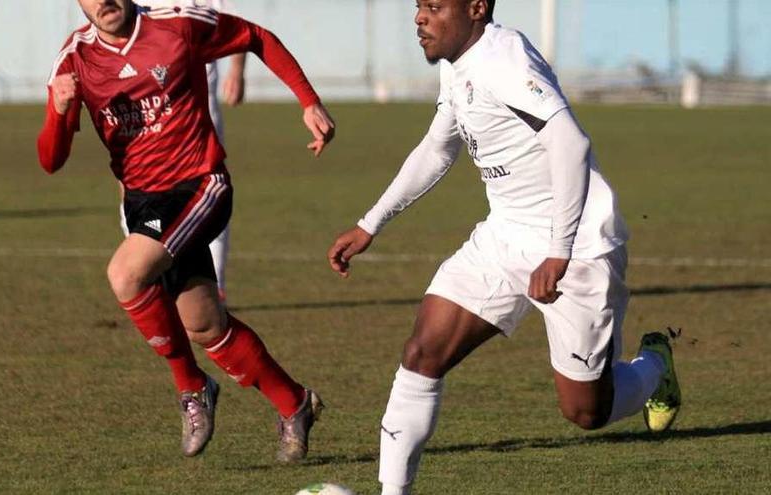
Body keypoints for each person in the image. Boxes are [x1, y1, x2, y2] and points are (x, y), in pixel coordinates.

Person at [327, 1, 681, 493]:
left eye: (433, 6)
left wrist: (559, 250)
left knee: (585, 411)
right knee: (423, 351)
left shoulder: (504, 59)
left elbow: (570, 144)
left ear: (476, 7)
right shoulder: (461, 66)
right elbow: (437, 147)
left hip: (576, 247)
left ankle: (655, 368)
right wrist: (371, 223)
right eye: (417, 6)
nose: (419, 17)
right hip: (505, 236)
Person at [37, 0, 335, 462]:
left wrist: (308, 100)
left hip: (201, 184)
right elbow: (51, 161)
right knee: (204, 325)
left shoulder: (177, 24)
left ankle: (192, 388)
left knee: (126, 274)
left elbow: (256, 37)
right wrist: (59, 109)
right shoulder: (74, 58)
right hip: (143, 204)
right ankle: (294, 403)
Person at [125, 0, 247, 302]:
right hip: (145, 110)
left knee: (208, 192)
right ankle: (148, 278)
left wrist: (236, 69)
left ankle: (214, 284)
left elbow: (238, 25)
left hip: (197, 114)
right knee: (134, 193)